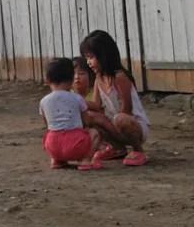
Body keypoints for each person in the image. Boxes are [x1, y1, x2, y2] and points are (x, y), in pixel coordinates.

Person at [79, 30, 150, 166]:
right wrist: (76, 101)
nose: (88, 62)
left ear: (103, 55)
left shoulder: (120, 77)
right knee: (88, 116)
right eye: (86, 58)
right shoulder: (99, 78)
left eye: (91, 57)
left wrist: (111, 126)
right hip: (115, 125)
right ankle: (117, 148)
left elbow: (126, 109)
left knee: (120, 118)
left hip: (133, 126)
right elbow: (96, 105)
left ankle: (138, 150)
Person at [40, 57, 102, 170]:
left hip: (52, 146)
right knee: (94, 133)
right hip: (75, 147)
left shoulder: (44, 101)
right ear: (71, 79)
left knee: (50, 132)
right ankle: (85, 160)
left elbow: (47, 123)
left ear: (47, 80)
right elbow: (86, 121)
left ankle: (56, 160)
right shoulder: (77, 98)